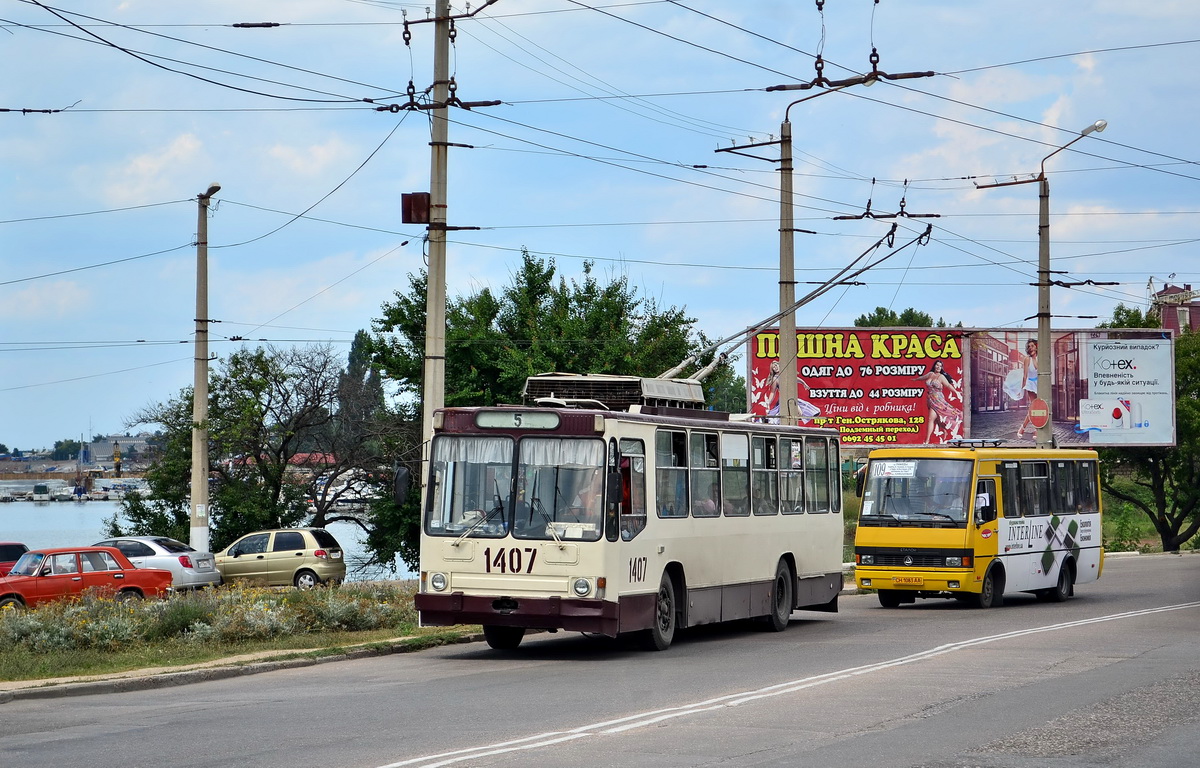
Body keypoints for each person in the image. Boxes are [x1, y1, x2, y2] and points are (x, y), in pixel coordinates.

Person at [914, 360, 962, 443]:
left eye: (940, 366)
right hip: (930, 399)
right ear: (934, 366)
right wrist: (913, 379)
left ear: (941, 368)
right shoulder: (930, 374)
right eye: (937, 365)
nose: (938, 367)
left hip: (938, 400)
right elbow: (922, 378)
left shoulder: (941, 377)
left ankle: (927, 440)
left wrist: (956, 392)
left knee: (931, 419)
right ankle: (944, 431)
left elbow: (947, 385)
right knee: (937, 420)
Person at [1017, 339, 1039, 438]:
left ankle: (1026, 427)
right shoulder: (1027, 359)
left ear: (1036, 347)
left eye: (1032, 346)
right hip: (1030, 383)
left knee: (1039, 407)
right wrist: (1022, 389)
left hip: (1039, 384)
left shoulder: (1040, 359)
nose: (1030, 348)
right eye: (1029, 346)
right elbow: (1025, 375)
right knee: (1034, 406)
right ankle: (1028, 428)